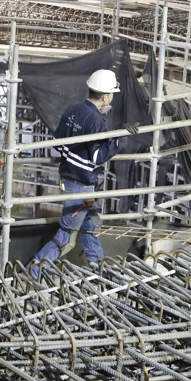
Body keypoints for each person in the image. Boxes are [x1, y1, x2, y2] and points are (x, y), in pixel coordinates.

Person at [30, 69, 123, 277]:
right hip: (81, 185)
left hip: (70, 179)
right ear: (105, 96)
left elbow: (61, 144)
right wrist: (118, 140)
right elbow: (97, 157)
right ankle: (32, 273)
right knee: (65, 239)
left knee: (89, 225)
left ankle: (99, 268)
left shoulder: (74, 109)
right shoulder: (96, 121)